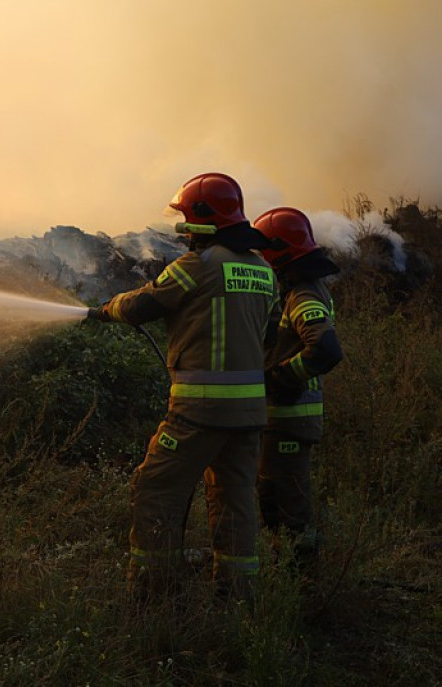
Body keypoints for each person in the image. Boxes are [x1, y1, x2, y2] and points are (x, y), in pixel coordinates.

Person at [87, 172, 279, 602]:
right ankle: (236, 598)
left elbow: (143, 304)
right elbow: (266, 338)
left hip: (199, 413)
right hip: (249, 416)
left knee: (155, 489)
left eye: (187, 219)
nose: (184, 229)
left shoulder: (198, 266)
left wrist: (105, 311)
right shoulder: (263, 271)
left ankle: (154, 595)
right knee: (235, 502)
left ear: (202, 221)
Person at [252, 207, 343, 566]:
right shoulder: (301, 286)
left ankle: (302, 582)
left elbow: (325, 349)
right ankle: (286, 568)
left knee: (289, 506)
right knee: (275, 498)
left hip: (291, 417)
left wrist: (281, 377)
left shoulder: (302, 294)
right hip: (286, 419)